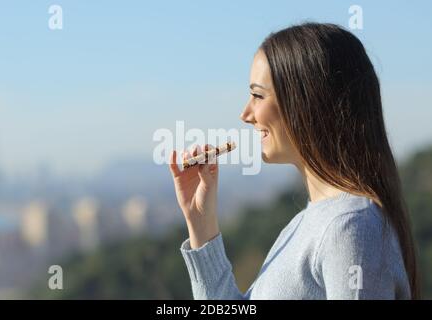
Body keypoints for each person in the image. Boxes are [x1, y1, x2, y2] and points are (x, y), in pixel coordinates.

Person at [168, 22, 419, 299]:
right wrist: (201, 223)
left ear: (305, 101)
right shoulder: (310, 224)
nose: (245, 113)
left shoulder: (351, 227)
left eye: (257, 95)